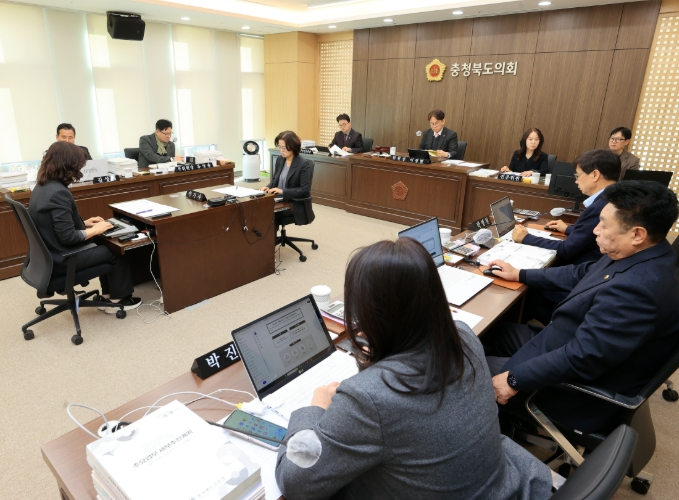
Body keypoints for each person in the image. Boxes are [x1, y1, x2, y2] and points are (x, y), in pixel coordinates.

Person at [275, 238, 553, 499]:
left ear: (368, 312)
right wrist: (385, 354)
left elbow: (295, 481)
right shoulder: (463, 335)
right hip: (501, 485)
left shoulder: (367, 398)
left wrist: (314, 409)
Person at [485, 180, 679, 433]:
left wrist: (513, 380)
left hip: (576, 390)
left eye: (604, 225)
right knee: (494, 333)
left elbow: (584, 356)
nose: (595, 230)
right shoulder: (644, 252)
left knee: (468, 370)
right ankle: (502, 419)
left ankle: (494, 428)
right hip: (564, 339)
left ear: (637, 234)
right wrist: (519, 274)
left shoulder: (638, 289)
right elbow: (582, 273)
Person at [29, 141, 141, 311]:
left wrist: (85, 224)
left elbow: (52, 223)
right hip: (63, 258)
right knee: (115, 250)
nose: (79, 170)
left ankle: (107, 296)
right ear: (67, 164)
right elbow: (68, 237)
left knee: (101, 241)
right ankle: (119, 301)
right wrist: (94, 230)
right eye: (78, 165)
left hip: (47, 256)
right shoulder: (58, 192)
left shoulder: (42, 186)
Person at [512, 149, 620, 267]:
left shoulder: (600, 207)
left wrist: (526, 238)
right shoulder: (615, 197)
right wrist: (568, 229)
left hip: (581, 268)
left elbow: (566, 249)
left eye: (578, 175)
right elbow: (589, 236)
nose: (576, 181)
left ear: (595, 175)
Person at [262, 131, 314, 229]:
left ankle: (271, 239)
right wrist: (267, 187)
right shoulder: (280, 159)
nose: (281, 150)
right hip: (279, 199)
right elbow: (275, 180)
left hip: (294, 203)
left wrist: (282, 191)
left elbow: (304, 190)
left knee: (267, 215)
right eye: (279, 147)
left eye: (284, 148)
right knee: (257, 209)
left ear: (293, 146)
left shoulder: (303, 164)